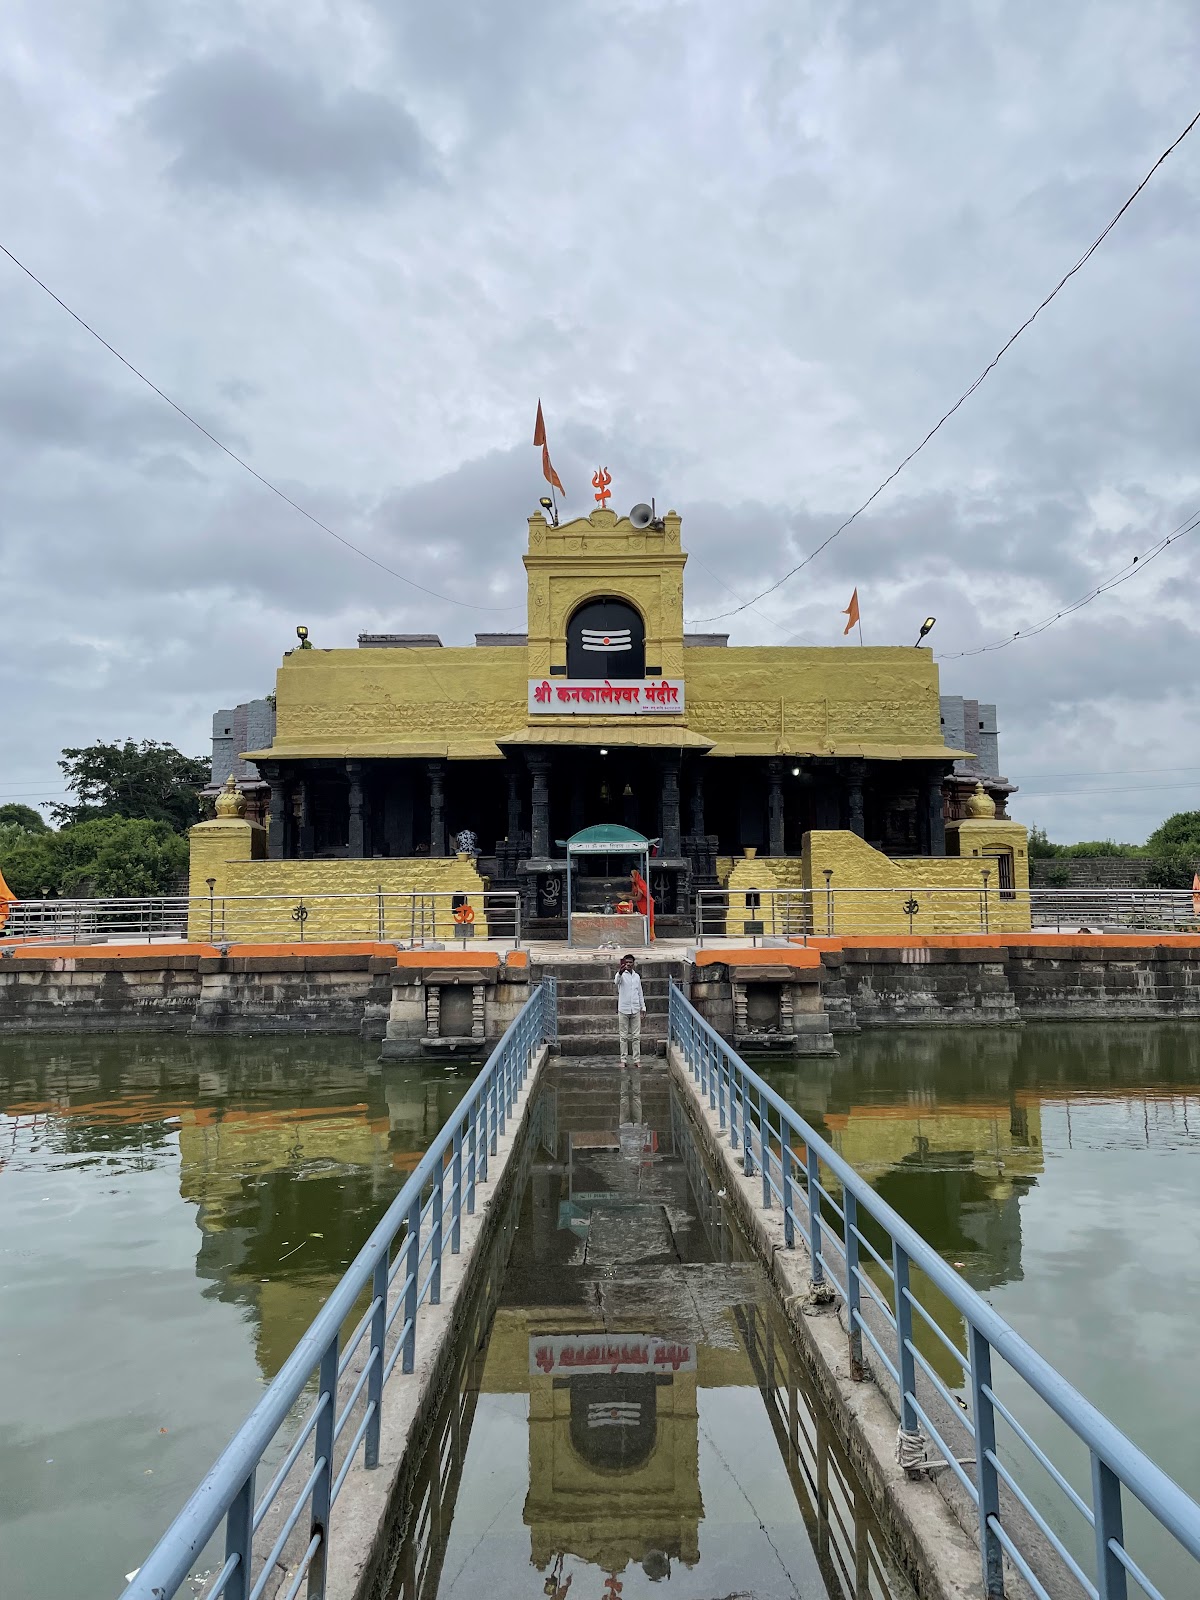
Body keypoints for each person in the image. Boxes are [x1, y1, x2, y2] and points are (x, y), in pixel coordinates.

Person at [614, 953, 646, 1067]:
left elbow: (640, 992)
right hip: (623, 1009)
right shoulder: (621, 975)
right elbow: (616, 981)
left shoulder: (636, 976)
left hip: (635, 1009)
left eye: (630, 962)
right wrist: (620, 971)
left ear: (633, 963)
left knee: (636, 1036)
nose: (628, 964)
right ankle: (623, 1060)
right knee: (623, 1036)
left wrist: (643, 1007)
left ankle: (637, 1060)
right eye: (626, 962)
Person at [630, 867, 654, 939]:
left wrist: (627, 897)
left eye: (631, 876)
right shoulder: (635, 884)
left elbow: (638, 898)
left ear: (635, 877)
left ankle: (650, 937)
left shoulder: (640, 884)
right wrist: (624, 894)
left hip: (646, 904)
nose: (630, 877)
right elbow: (632, 893)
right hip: (641, 904)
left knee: (648, 919)